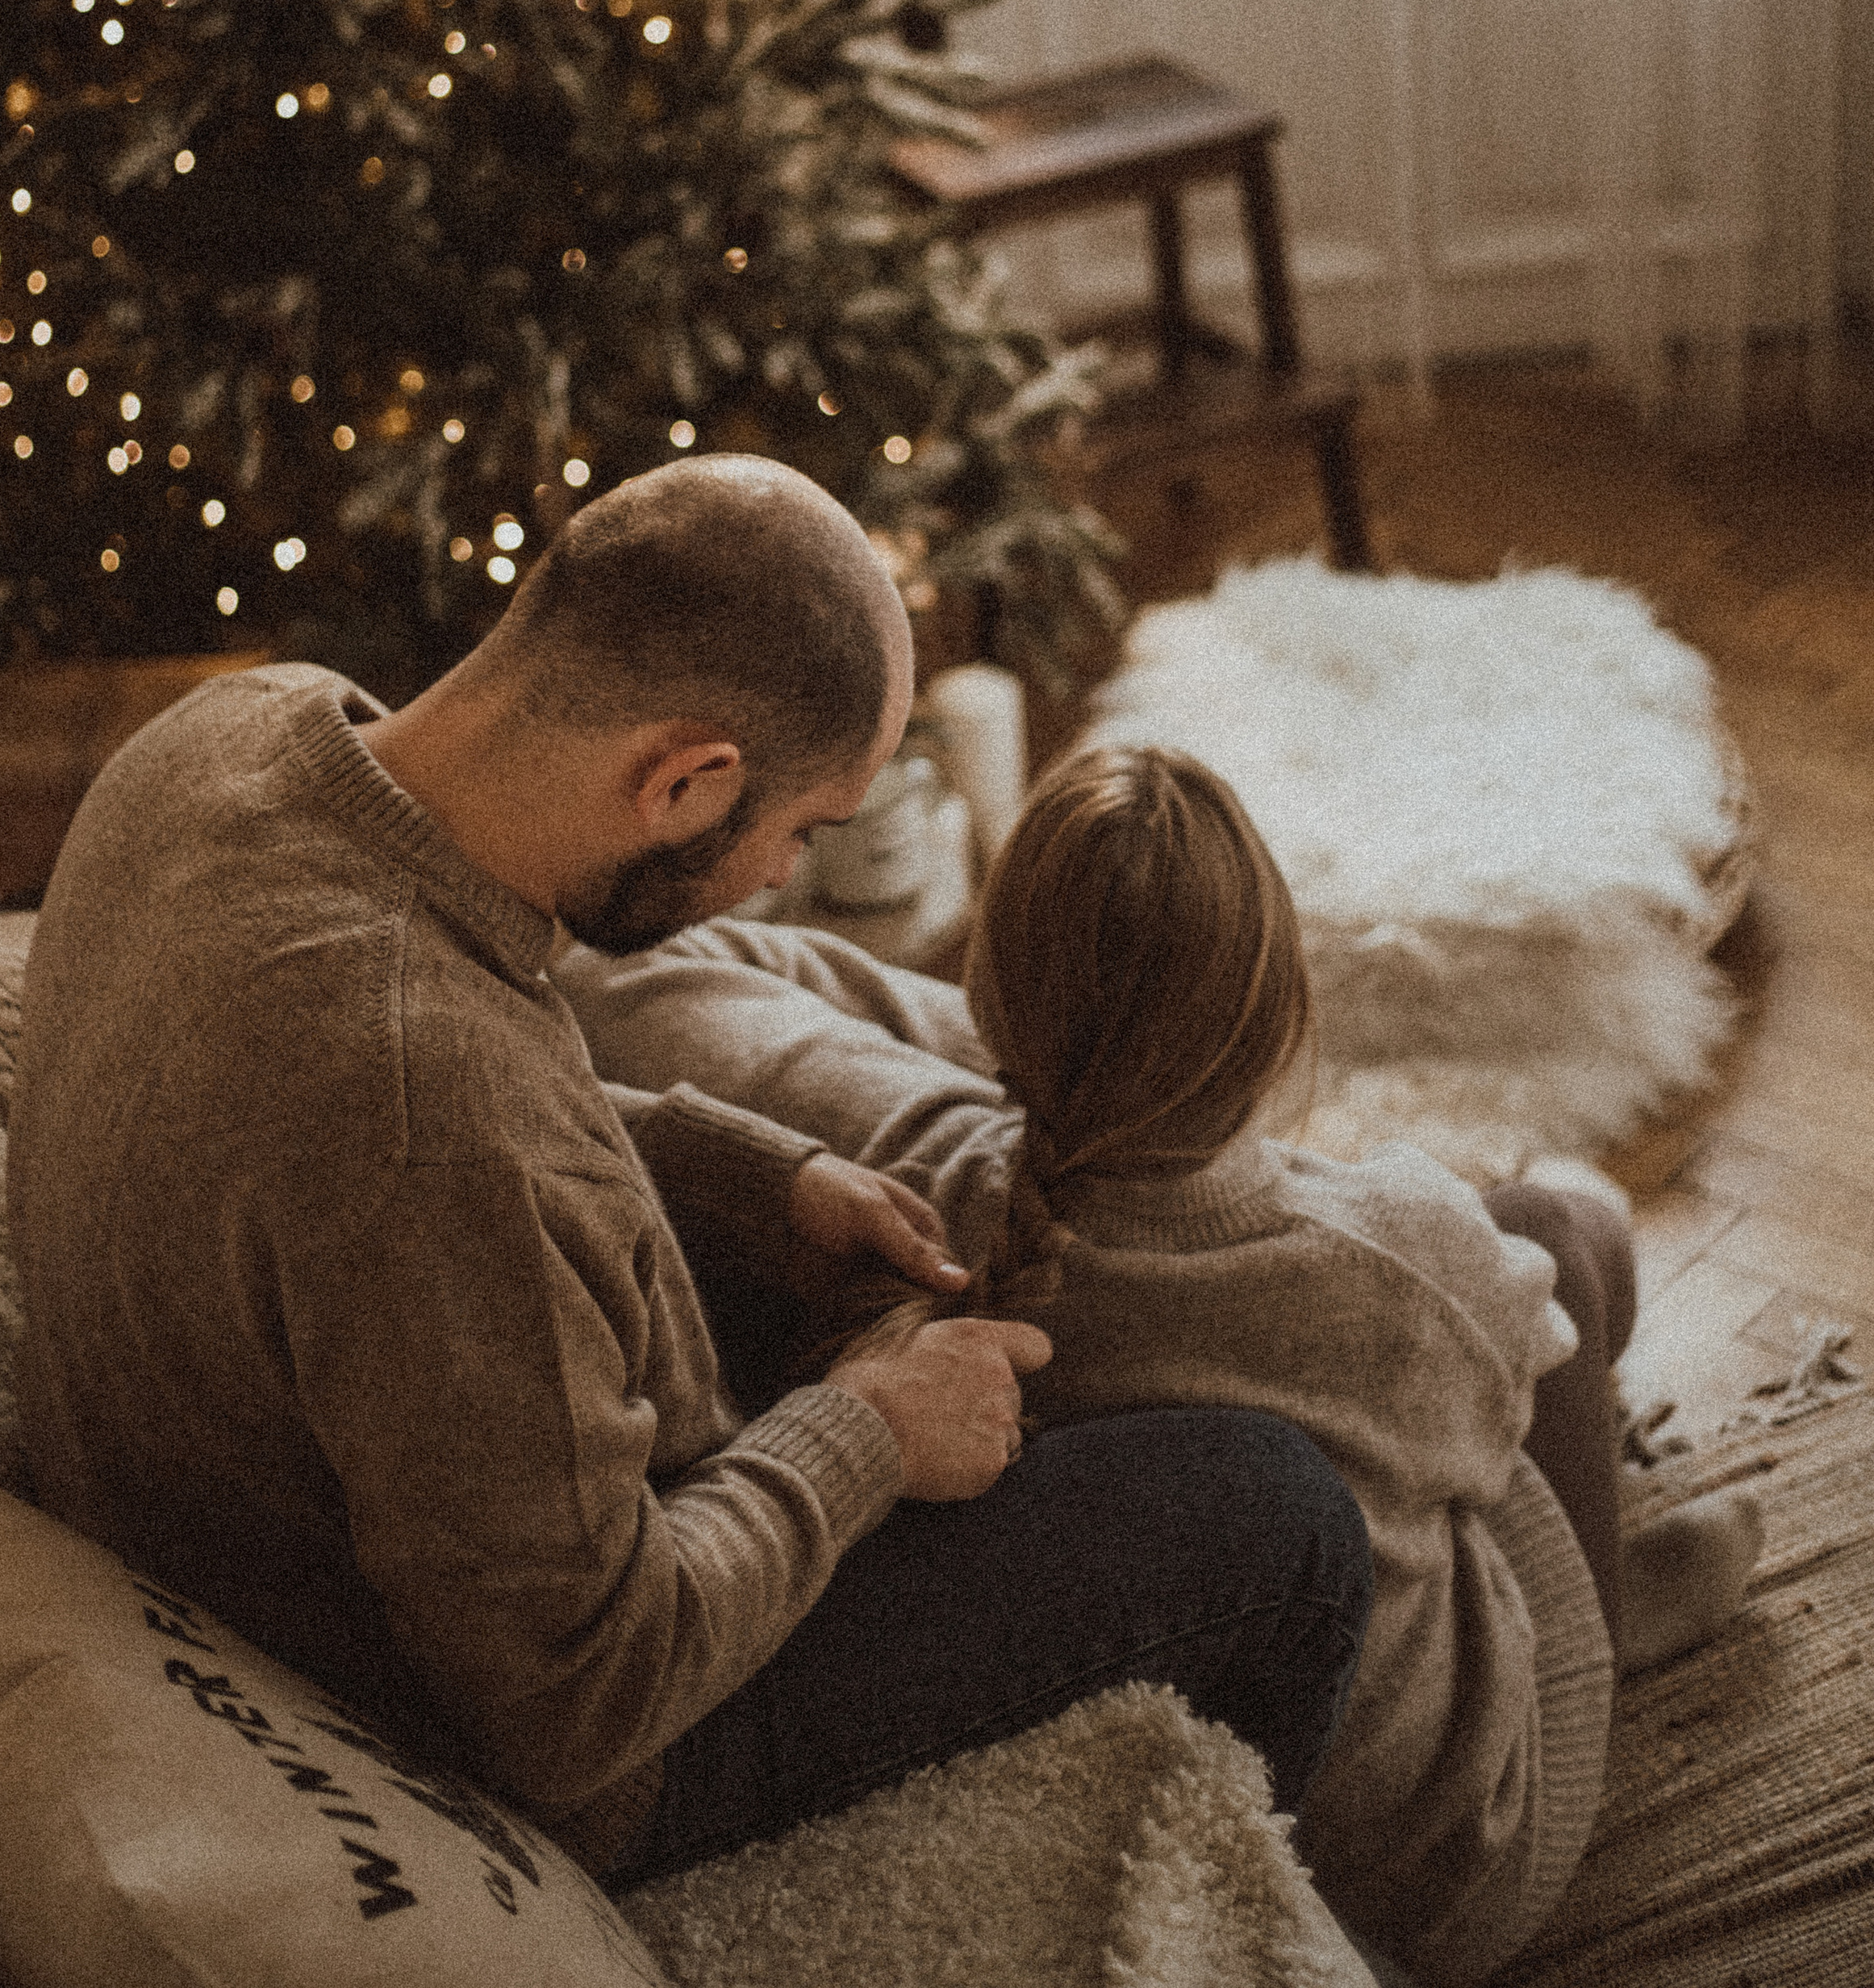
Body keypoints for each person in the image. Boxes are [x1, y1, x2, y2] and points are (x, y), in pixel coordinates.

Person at [8, 461, 1373, 1894]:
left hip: (315, 1447)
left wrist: (748, 1181)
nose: (786, 875)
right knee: (1274, 1516)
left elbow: (406, 1132)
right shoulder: (429, 1112)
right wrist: (866, 1435)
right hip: (542, 1733)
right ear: (686, 779)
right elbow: (574, 1700)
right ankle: (1225, 1911)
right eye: (801, 830)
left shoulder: (235, 729)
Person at [556, 741, 1767, 1974]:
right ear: (1284, 1010)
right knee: (1563, 1229)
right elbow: (1508, 1389)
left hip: (1272, 1777)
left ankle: (1581, 1579)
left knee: (1456, 1347)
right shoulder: (1396, 1253)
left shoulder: (908, 1188)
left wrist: (1020, 1054)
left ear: (995, 1007)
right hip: (1455, 1861)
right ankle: (1598, 1639)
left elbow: (638, 983)